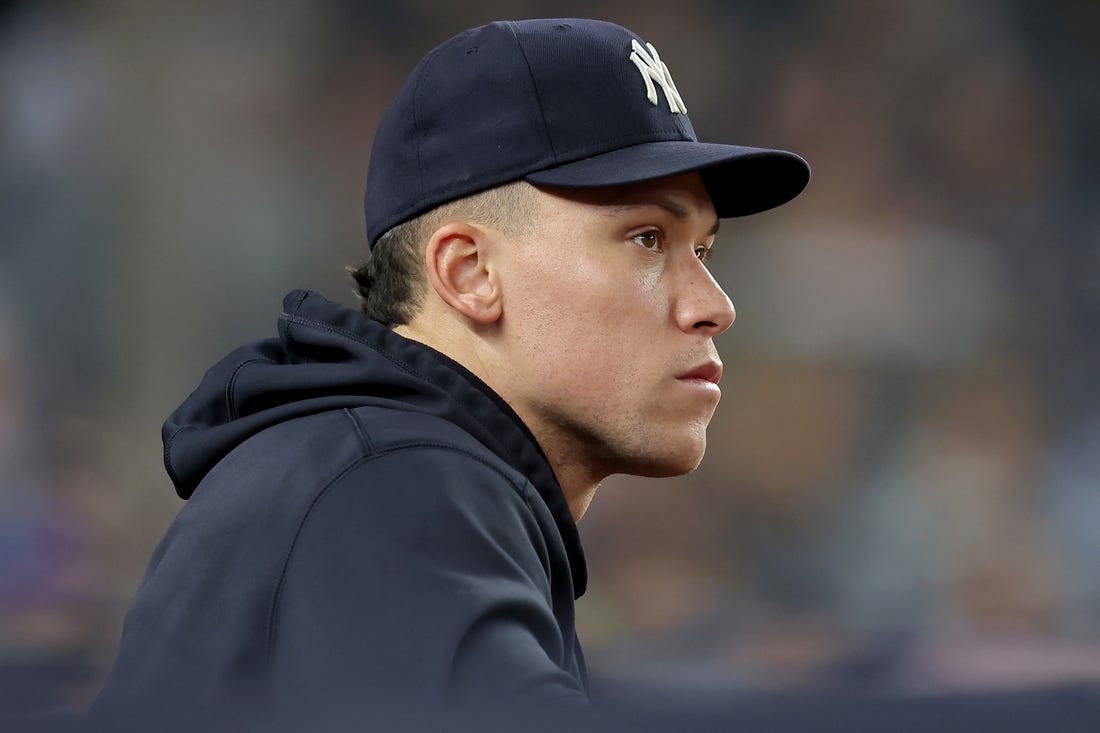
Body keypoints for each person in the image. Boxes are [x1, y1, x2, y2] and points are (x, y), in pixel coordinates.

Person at [88, 17, 808, 730]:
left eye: (703, 251)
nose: (714, 306)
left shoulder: (370, 463)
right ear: (470, 273)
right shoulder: (396, 490)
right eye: (648, 237)